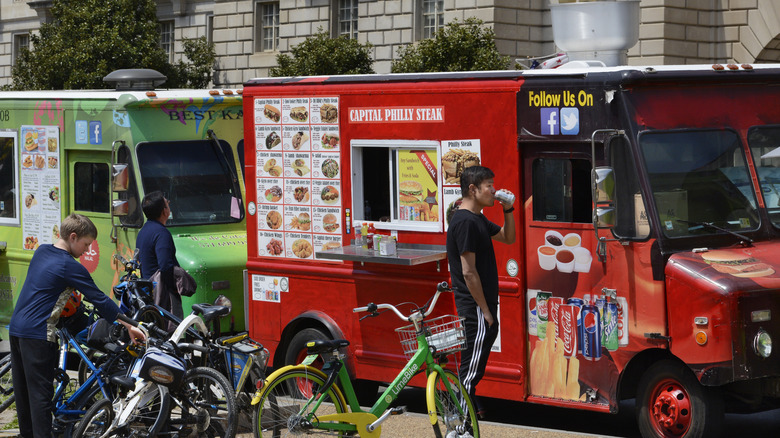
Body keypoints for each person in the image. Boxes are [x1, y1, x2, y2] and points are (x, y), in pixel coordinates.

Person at [9, 213, 145, 438]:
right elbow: (100, 299)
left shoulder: (42, 250)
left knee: (24, 399)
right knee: (41, 401)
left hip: (16, 329)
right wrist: (130, 325)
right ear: (73, 237)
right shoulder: (69, 266)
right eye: (86, 244)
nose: (87, 250)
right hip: (38, 334)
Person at [446, 166, 515, 421]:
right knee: (469, 372)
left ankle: (459, 421)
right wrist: (485, 310)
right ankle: (459, 425)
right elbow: (468, 272)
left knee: (473, 370)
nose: (494, 190)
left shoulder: (477, 218)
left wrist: (508, 209)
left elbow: (508, 238)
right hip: (475, 308)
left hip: (481, 307)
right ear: (472, 189)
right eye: (489, 185)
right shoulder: (464, 221)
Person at [136, 191, 183, 326]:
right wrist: (174, 288)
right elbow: (165, 265)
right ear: (164, 211)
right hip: (163, 293)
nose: (169, 204)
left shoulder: (143, 231)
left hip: (148, 290)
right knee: (171, 329)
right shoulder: (162, 233)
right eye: (167, 203)